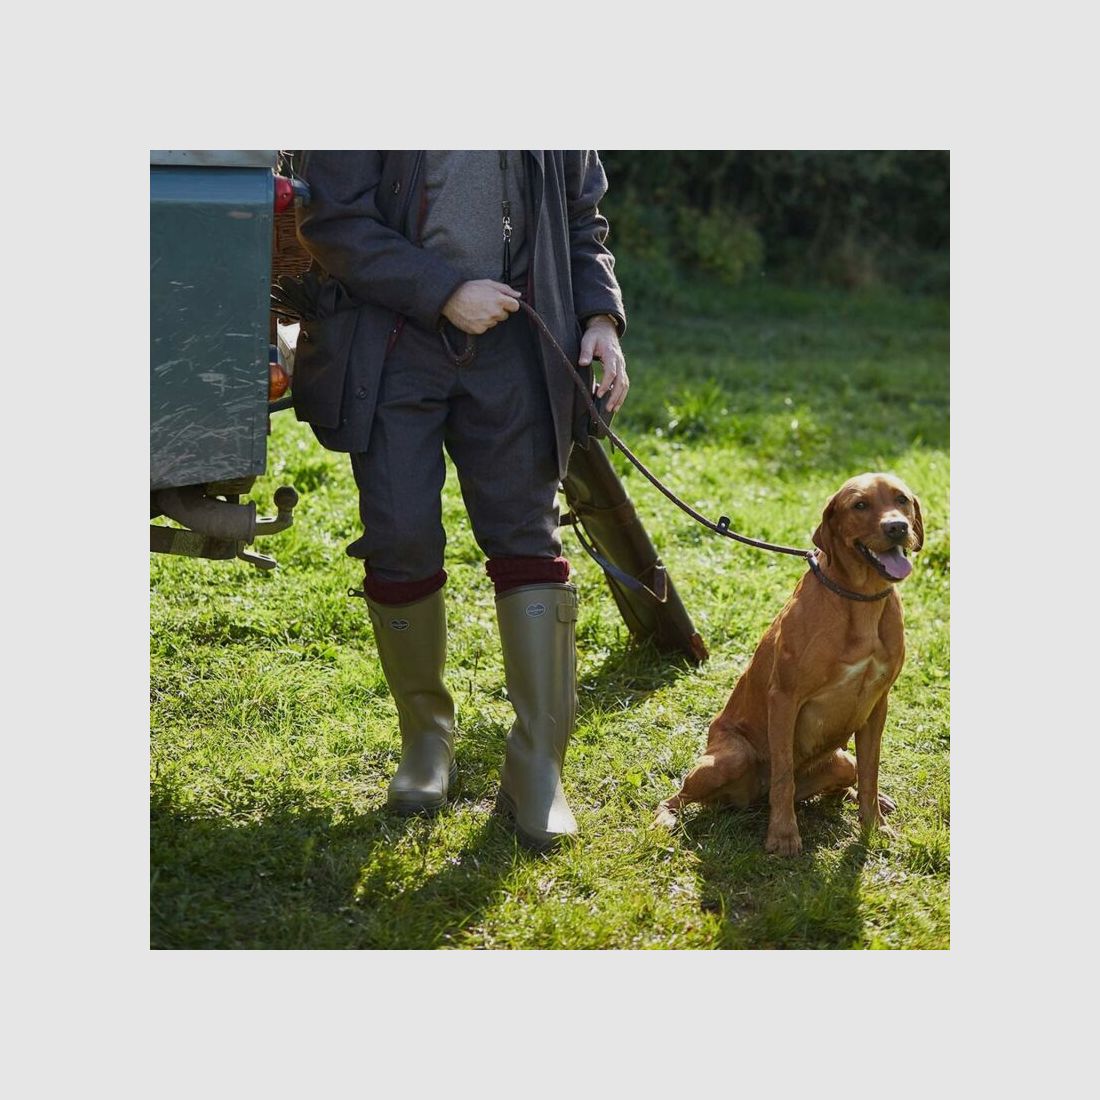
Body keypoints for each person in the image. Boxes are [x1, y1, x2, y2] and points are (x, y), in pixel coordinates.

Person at [293, 151, 628, 850]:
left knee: (528, 539)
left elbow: (580, 220)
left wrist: (599, 316)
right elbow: (332, 221)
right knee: (401, 534)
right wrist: (443, 290)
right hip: (388, 339)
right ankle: (426, 741)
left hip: (518, 340)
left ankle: (537, 766)